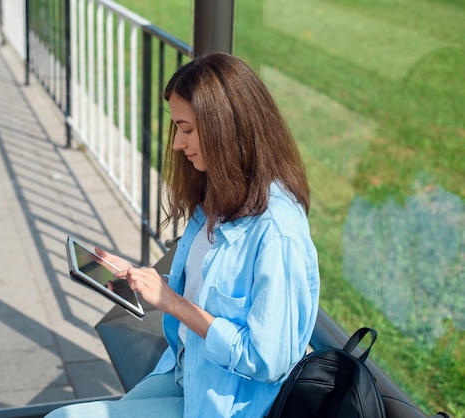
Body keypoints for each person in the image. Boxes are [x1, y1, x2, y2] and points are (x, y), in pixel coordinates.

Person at [46, 52, 320, 418]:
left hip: (229, 405)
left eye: (187, 129)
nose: (177, 143)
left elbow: (267, 360)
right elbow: (208, 293)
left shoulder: (277, 232)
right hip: (185, 371)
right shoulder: (219, 202)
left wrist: (172, 303)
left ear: (226, 128)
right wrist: (143, 281)